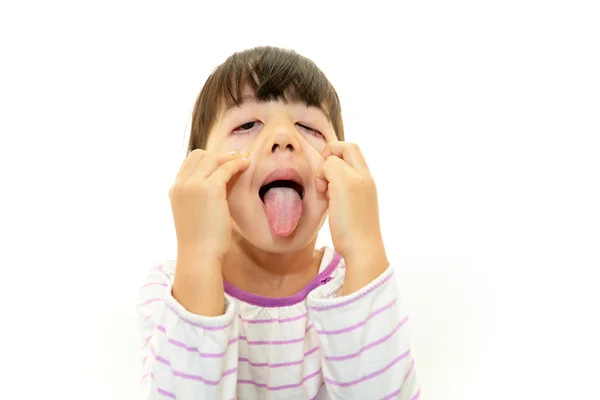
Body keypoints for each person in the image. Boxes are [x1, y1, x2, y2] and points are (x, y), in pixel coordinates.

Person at [137, 46, 420, 399]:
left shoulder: (355, 284)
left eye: (308, 127)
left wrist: (364, 246)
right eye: (247, 124)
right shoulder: (170, 288)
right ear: (202, 172)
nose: (284, 138)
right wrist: (197, 256)